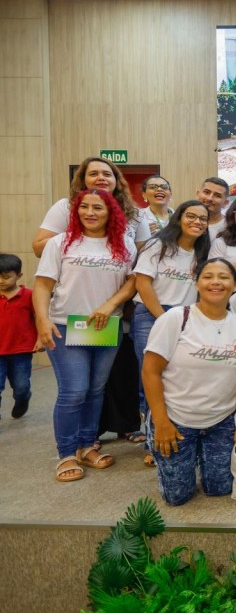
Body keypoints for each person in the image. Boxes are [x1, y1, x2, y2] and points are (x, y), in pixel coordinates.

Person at [34, 189, 137, 482]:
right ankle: (66, 452)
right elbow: (42, 285)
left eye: (98, 208)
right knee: (74, 390)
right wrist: (42, 321)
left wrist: (109, 305)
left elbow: (131, 284)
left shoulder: (125, 244)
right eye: (85, 207)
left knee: (95, 389)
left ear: (111, 213)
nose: (90, 213)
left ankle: (86, 445)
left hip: (106, 326)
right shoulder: (60, 242)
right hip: (65, 325)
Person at [142, 258, 236, 506]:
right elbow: (150, 372)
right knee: (177, 496)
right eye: (208, 276)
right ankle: (170, 452)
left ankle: (200, 456)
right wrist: (161, 421)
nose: (216, 282)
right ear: (197, 283)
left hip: (220, 420)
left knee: (220, 489)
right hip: (176, 419)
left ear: (235, 285)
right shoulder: (175, 318)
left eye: (224, 277)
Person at [133, 200, 212, 444]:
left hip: (185, 316)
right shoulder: (158, 245)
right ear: (178, 218)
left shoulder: (201, 252)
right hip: (151, 313)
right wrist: (164, 318)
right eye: (191, 216)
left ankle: (173, 431)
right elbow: (142, 283)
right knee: (151, 375)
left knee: (176, 376)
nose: (197, 222)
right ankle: (152, 439)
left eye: (202, 218)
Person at [33, 156, 141, 257]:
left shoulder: (134, 212)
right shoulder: (66, 207)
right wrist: (79, 236)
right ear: (83, 179)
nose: (101, 178)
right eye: (93, 174)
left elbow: (142, 255)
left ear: (116, 181)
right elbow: (38, 249)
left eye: (107, 174)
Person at [0, 254, 36, 421]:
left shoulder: (29, 295)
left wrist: (41, 339)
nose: (1, 280)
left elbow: (39, 318)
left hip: (21, 350)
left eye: (6, 277)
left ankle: (23, 399)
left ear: (19, 276)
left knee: (20, 386)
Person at [136, 175, 174, 245]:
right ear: (144, 195)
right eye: (153, 187)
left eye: (164, 187)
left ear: (170, 194)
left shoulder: (180, 217)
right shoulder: (137, 217)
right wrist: (142, 234)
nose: (159, 189)